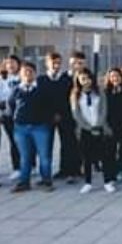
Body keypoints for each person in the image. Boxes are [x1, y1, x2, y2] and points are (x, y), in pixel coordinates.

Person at [9, 61, 55, 193]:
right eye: (25, 72)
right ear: (20, 74)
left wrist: (45, 120)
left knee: (44, 155)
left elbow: (50, 106)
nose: (28, 74)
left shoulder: (42, 89)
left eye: (30, 71)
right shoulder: (16, 90)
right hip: (21, 128)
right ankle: (24, 182)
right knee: (25, 156)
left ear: (35, 73)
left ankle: (46, 180)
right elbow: (11, 106)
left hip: (40, 127)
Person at [70, 68, 116, 194]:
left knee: (104, 156)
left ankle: (107, 182)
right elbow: (76, 114)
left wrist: (99, 124)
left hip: (100, 127)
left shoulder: (99, 92)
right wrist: (87, 127)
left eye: (88, 78)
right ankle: (88, 182)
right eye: (83, 79)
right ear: (78, 80)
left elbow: (104, 110)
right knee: (87, 158)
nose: (86, 81)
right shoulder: (75, 94)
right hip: (85, 129)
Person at [38, 52, 80, 184]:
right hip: (46, 118)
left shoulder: (66, 79)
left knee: (68, 144)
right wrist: (51, 114)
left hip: (65, 116)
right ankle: (46, 175)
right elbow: (41, 100)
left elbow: (70, 98)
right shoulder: (41, 80)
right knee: (46, 147)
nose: (56, 65)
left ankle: (68, 171)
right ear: (47, 63)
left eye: (58, 62)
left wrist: (61, 113)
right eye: (53, 62)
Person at [0, 56, 22, 180]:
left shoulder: (22, 77)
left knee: (24, 142)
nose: (10, 66)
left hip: (22, 114)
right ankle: (17, 167)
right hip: (7, 115)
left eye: (13, 63)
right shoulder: (2, 79)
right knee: (13, 141)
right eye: (7, 63)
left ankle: (31, 165)